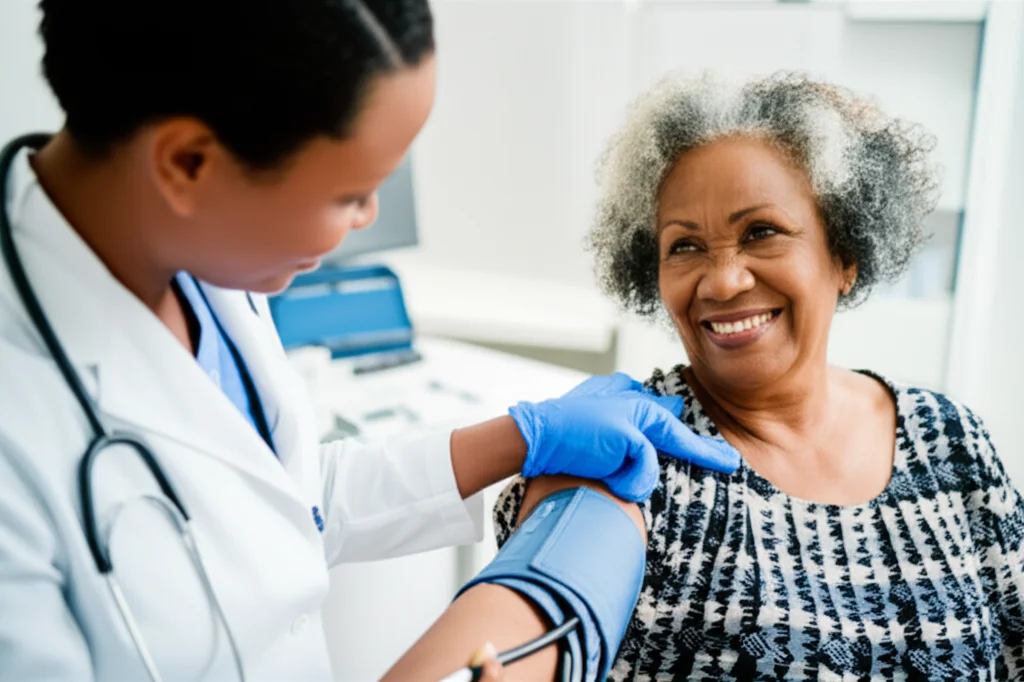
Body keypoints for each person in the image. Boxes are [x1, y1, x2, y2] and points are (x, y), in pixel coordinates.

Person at [0, 3, 741, 681]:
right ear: (188, 165)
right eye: (348, 195)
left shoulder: (199, 262)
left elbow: (280, 505)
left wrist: (521, 439)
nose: (369, 216)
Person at [494, 71, 1024, 680]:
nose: (722, 281)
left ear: (844, 254)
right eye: (685, 246)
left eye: (762, 233)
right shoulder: (628, 451)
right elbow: (524, 636)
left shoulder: (948, 438)